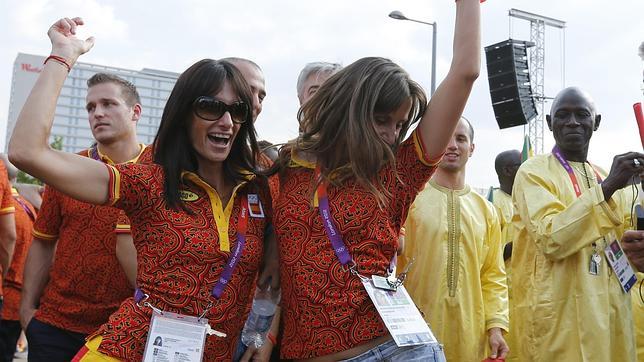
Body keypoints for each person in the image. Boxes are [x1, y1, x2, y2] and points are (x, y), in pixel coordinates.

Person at [8, 17, 272, 362]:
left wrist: (264, 336)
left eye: (236, 110)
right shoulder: (148, 181)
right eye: (211, 107)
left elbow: (280, 269)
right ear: (184, 114)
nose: (226, 122)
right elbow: (27, 152)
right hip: (126, 350)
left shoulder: (262, 186)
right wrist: (63, 56)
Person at [270, 1, 481, 360]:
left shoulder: (398, 171)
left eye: (399, 125)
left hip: (394, 351)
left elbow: (466, 73)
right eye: (382, 120)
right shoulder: (285, 164)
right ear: (349, 108)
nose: (391, 134)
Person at [510, 86, 644, 361]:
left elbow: (620, 250)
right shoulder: (533, 172)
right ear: (550, 123)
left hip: (610, 318)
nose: (572, 122)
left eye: (582, 115)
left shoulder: (604, 175)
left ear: (595, 122)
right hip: (560, 321)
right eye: (563, 115)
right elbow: (551, 238)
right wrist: (607, 188)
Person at [18, 72, 145, 361]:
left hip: (125, 328)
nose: (98, 113)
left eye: (108, 104)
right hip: (56, 326)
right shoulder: (66, 169)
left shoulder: (158, 170)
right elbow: (43, 240)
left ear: (135, 112)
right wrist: (27, 309)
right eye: (90, 107)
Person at [400, 117, 509, 361]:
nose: (452, 145)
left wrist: (496, 327)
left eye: (460, 139)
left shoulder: (486, 210)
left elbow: (493, 275)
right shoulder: (410, 201)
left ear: (471, 148)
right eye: (447, 137)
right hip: (415, 332)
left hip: (471, 333)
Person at [0, 155, 37, 362]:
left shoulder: (9, 210)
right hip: (20, 294)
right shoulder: (28, 207)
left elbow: (8, 239)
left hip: (7, 292)